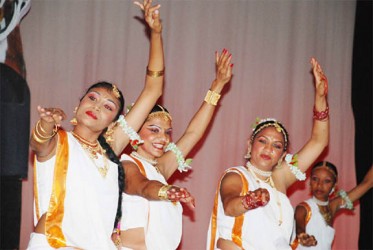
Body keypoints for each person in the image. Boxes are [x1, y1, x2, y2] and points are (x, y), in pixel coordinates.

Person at [27, 0, 164, 248]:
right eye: (93, 98)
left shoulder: (111, 149)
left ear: (114, 122)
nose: (98, 106)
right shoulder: (60, 140)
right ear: (78, 106)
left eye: (108, 107)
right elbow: (39, 144)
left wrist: (156, 34)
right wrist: (47, 124)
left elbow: (153, 90)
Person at [115, 47, 233, 249]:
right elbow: (143, 186)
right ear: (135, 132)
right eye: (154, 130)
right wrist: (166, 191)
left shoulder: (161, 167)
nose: (163, 138)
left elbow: (193, 134)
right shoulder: (126, 164)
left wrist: (217, 86)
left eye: (167, 132)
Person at [206, 58, 330, 250]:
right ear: (250, 145)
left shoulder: (280, 179)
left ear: (282, 156)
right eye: (262, 141)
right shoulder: (236, 175)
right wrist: (250, 199)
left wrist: (321, 98)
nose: (268, 149)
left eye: (277, 146)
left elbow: (318, 142)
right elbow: (230, 206)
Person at [291, 162, 373, 250]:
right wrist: (303, 236)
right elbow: (299, 229)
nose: (319, 185)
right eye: (315, 179)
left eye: (326, 181)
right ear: (310, 181)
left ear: (334, 185)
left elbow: (368, 183)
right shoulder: (303, 208)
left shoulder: (333, 206)